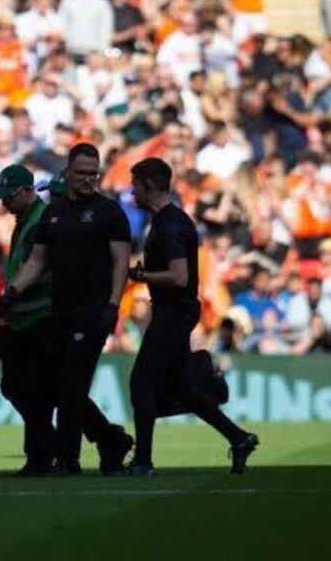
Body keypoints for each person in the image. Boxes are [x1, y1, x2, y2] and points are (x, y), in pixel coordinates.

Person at [5, 143, 135, 475]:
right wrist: (13, 290)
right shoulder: (54, 212)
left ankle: (68, 459)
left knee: (72, 385)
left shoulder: (110, 213)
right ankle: (110, 441)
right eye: (82, 173)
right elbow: (37, 261)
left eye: (94, 173)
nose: (88, 179)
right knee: (59, 385)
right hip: (59, 311)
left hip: (92, 311)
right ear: (67, 173)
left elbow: (121, 262)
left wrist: (113, 305)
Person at [124, 158, 259, 476]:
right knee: (185, 388)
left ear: (150, 185)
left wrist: (141, 276)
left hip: (174, 312)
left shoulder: (169, 225)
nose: (132, 192)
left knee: (141, 382)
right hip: (177, 310)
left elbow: (179, 276)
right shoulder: (168, 221)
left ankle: (143, 461)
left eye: (136, 185)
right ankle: (239, 438)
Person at [0, 165, 59, 476]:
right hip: (22, 316)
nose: (5, 204)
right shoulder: (25, 220)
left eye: (9, 197)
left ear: (28, 192)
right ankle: (51, 448)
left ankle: (41, 456)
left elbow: (37, 266)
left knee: (34, 390)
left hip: (40, 316)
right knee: (18, 387)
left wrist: (8, 295)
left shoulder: (42, 220)